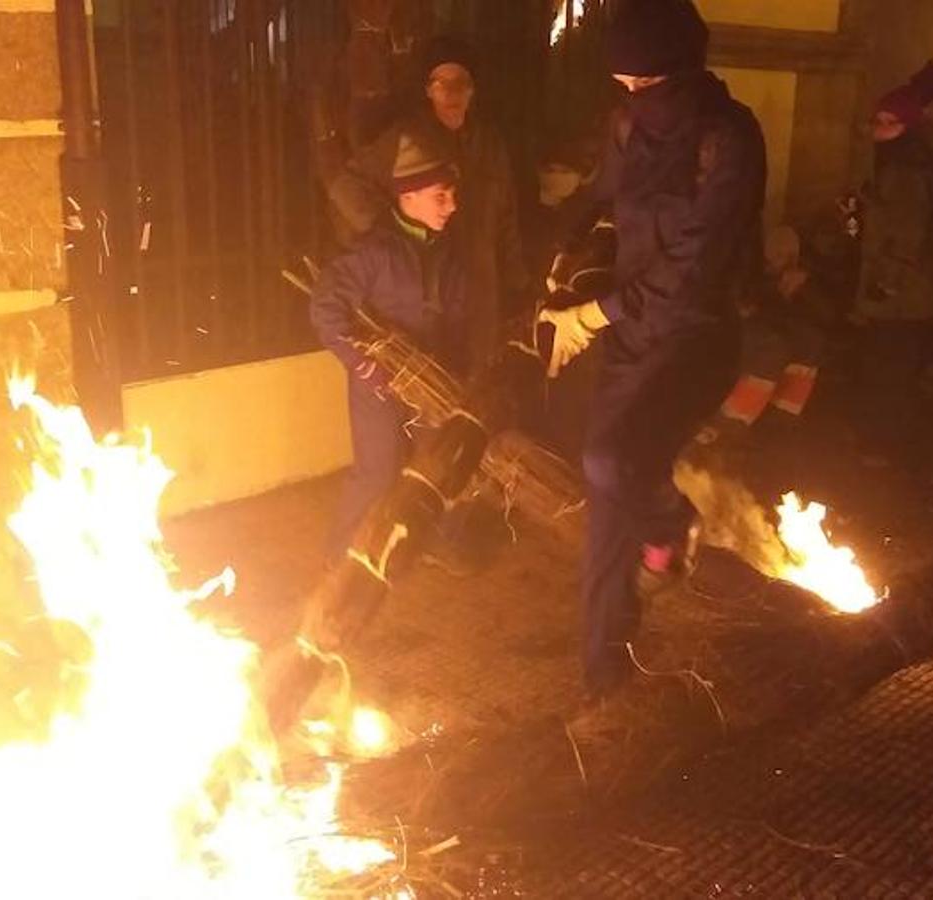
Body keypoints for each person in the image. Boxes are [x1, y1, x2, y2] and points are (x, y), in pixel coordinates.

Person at [541, 0, 765, 698]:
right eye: (622, 85)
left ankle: (674, 521)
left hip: (694, 338)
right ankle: (603, 676)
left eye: (646, 86)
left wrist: (594, 314)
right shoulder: (626, 124)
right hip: (632, 333)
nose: (633, 98)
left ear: (685, 70)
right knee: (607, 502)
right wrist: (551, 253)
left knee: (611, 460)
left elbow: (693, 264)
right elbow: (599, 195)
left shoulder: (727, 138)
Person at [310, 127, 472, 553]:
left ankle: (437, 542)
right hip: (376, 381)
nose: (452, 205)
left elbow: (456, 316)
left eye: (453, 194)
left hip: (430, 381)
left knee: (437, 462)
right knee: (378, 471)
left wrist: (455, 372)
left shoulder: (447, 251)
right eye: (441, 196)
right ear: (409, 197)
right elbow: (325, 308)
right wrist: (361, 363)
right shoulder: (375, 252)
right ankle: (340, 555)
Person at [328, 35, 529, 370]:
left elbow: (507, 217)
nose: (451, 93)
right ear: (427, 90)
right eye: (441, 83)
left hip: (481, 293)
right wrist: (385, 230)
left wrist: (518, 285)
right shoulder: (407, 141)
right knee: (434, 392)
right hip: (428, 298)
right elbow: (346, 185)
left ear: (472, 90)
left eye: (460, 82)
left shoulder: (490, 144)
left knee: (476, 388)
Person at [853, 65, 933, 465]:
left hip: (903, 296)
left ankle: (883, 447)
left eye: (889, 122)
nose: (879, 128)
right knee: (890, 369)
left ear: (907, 125)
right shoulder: (900, 161)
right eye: (876, 120)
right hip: (905, 293)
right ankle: (883, 442)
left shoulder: (907, 167)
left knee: (889, 371)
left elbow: (908, 232)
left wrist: (886, 283)